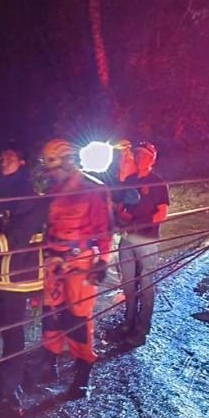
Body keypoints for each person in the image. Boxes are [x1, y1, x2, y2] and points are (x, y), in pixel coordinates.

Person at [38, 138, 112, 399]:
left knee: (77, 319)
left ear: (68, 161)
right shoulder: (53, 190)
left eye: (56, 168)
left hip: (80, 262)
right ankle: (50, 360)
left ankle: (83, 371)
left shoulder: (93, 189)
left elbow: (105, 230)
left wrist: (103, 260)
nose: (53, 175)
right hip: (54, 261)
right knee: (51, 312)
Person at [0, 142, 46, 415]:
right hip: (0, 273)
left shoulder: (29, 197)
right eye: (1, 155)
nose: (3, 159)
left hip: (19, 274)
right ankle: (7, 377)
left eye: (10, 156)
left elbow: (16, 237)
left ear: (22, 163)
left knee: (14, 331)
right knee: (7, 329)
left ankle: (11, 389)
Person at [116, 141, 170, 347]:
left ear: (152, 159)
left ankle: (141, 329)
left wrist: (138, 222)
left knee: (146, 284)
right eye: (138, 155)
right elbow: (119, 205)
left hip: (146, 240)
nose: (140, 158)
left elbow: (161, 213)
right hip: (127, 238)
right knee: (128, 283)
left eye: (145, 156)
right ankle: (127, 323)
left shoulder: (158, 183)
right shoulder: (129, 180)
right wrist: (121, 216)